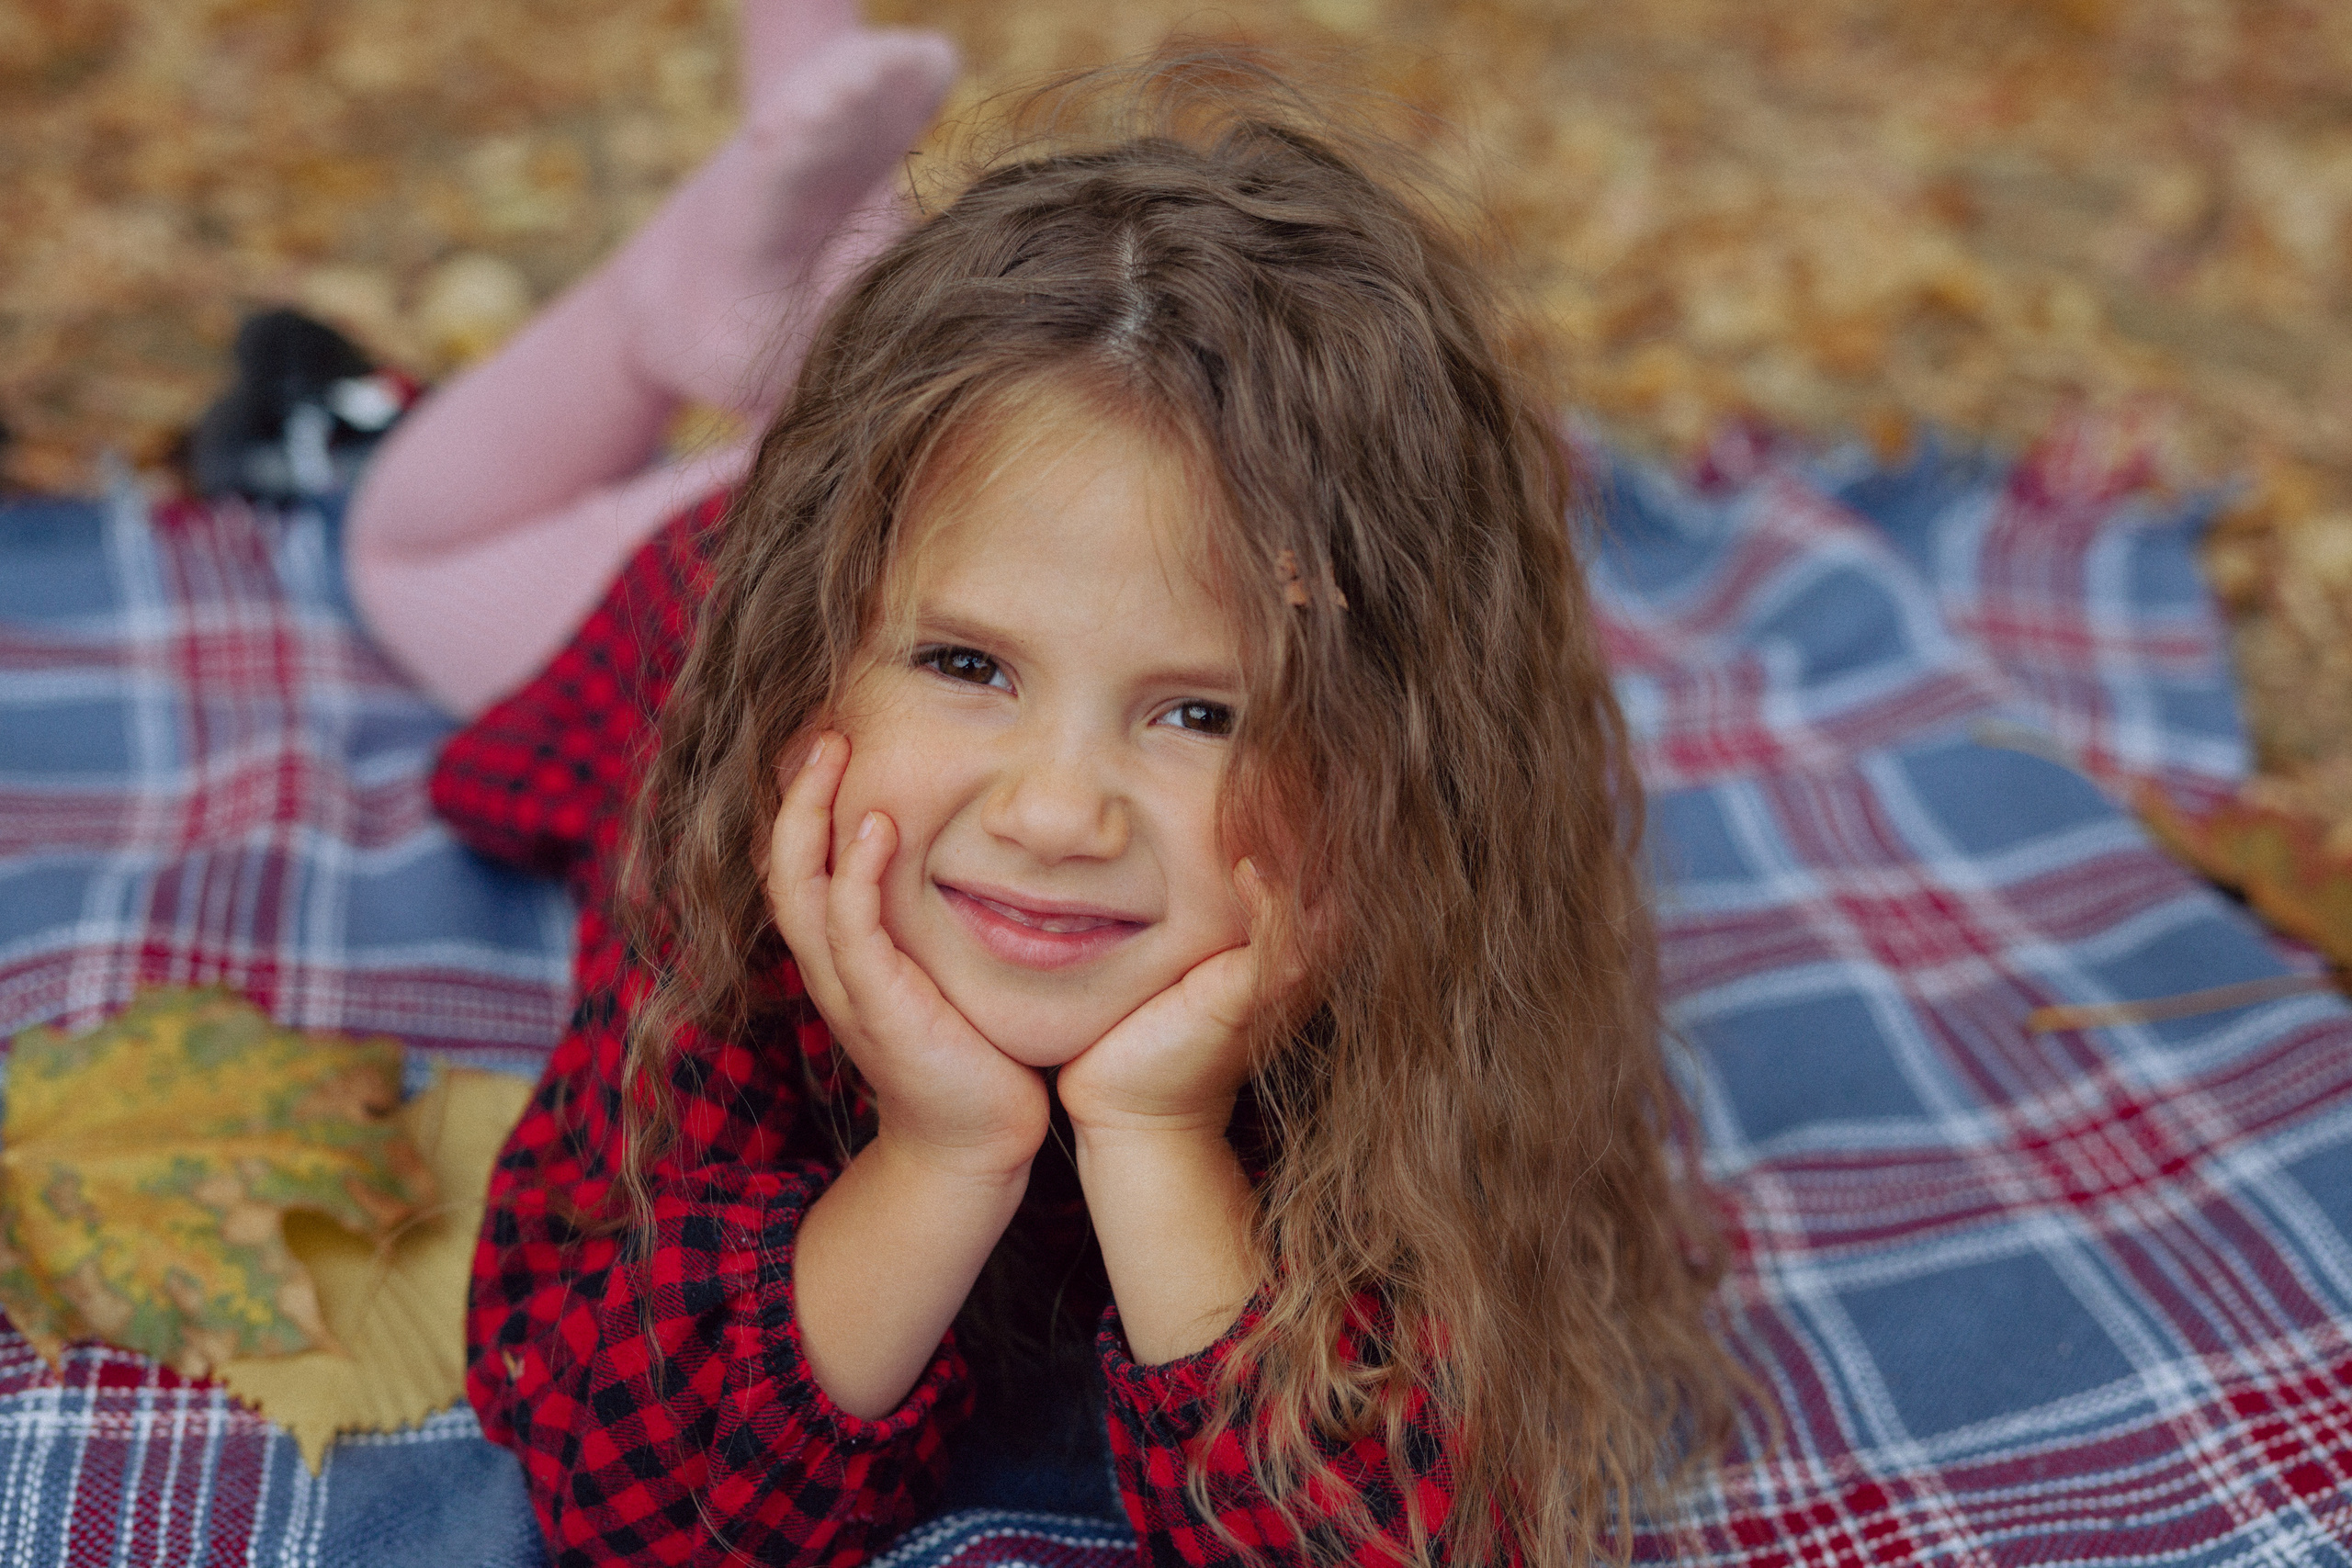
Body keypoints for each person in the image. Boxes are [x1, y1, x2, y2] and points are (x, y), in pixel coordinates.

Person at [356, 18, 1743, 1567]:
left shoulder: (1418, 966)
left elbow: (1374, 1540)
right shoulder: (738, 828)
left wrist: (1159, 1132)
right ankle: (676, 300)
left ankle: (828, 289)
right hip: (728, 540)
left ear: (1399, 753)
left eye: (1202, 710)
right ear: (812, 665)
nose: (1055, 814)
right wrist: (936, 1154)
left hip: (944, 515)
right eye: (968, 669)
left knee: (1002, 470)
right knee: (415, 560)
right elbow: (634, 1499)